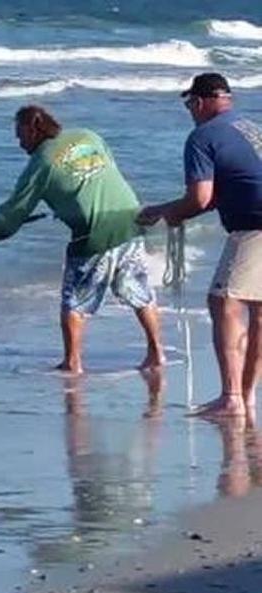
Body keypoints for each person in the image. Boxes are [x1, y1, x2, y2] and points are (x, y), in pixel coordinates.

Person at [0, 105, 164, 374]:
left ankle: (72, 362)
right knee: (137, 290)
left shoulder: (41, 164)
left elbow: (11, 216)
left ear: (33, 130)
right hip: (130, 219)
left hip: (95, 233)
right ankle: (157, 352)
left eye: (20, 134)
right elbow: (105, 173)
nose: (18, 142)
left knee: (75, 301)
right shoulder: (87, 136)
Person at [139, 72, 262, 419]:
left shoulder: (202, 137)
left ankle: (231, 398)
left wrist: (168, 213)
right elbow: (224, 190)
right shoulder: (251, 127)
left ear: (199, 102)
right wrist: (166, 210)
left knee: (223, 301)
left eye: (189, 104)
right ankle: (246, 397)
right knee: (259, 312)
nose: (190, 111)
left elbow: (199, 198)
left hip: (254, 226)